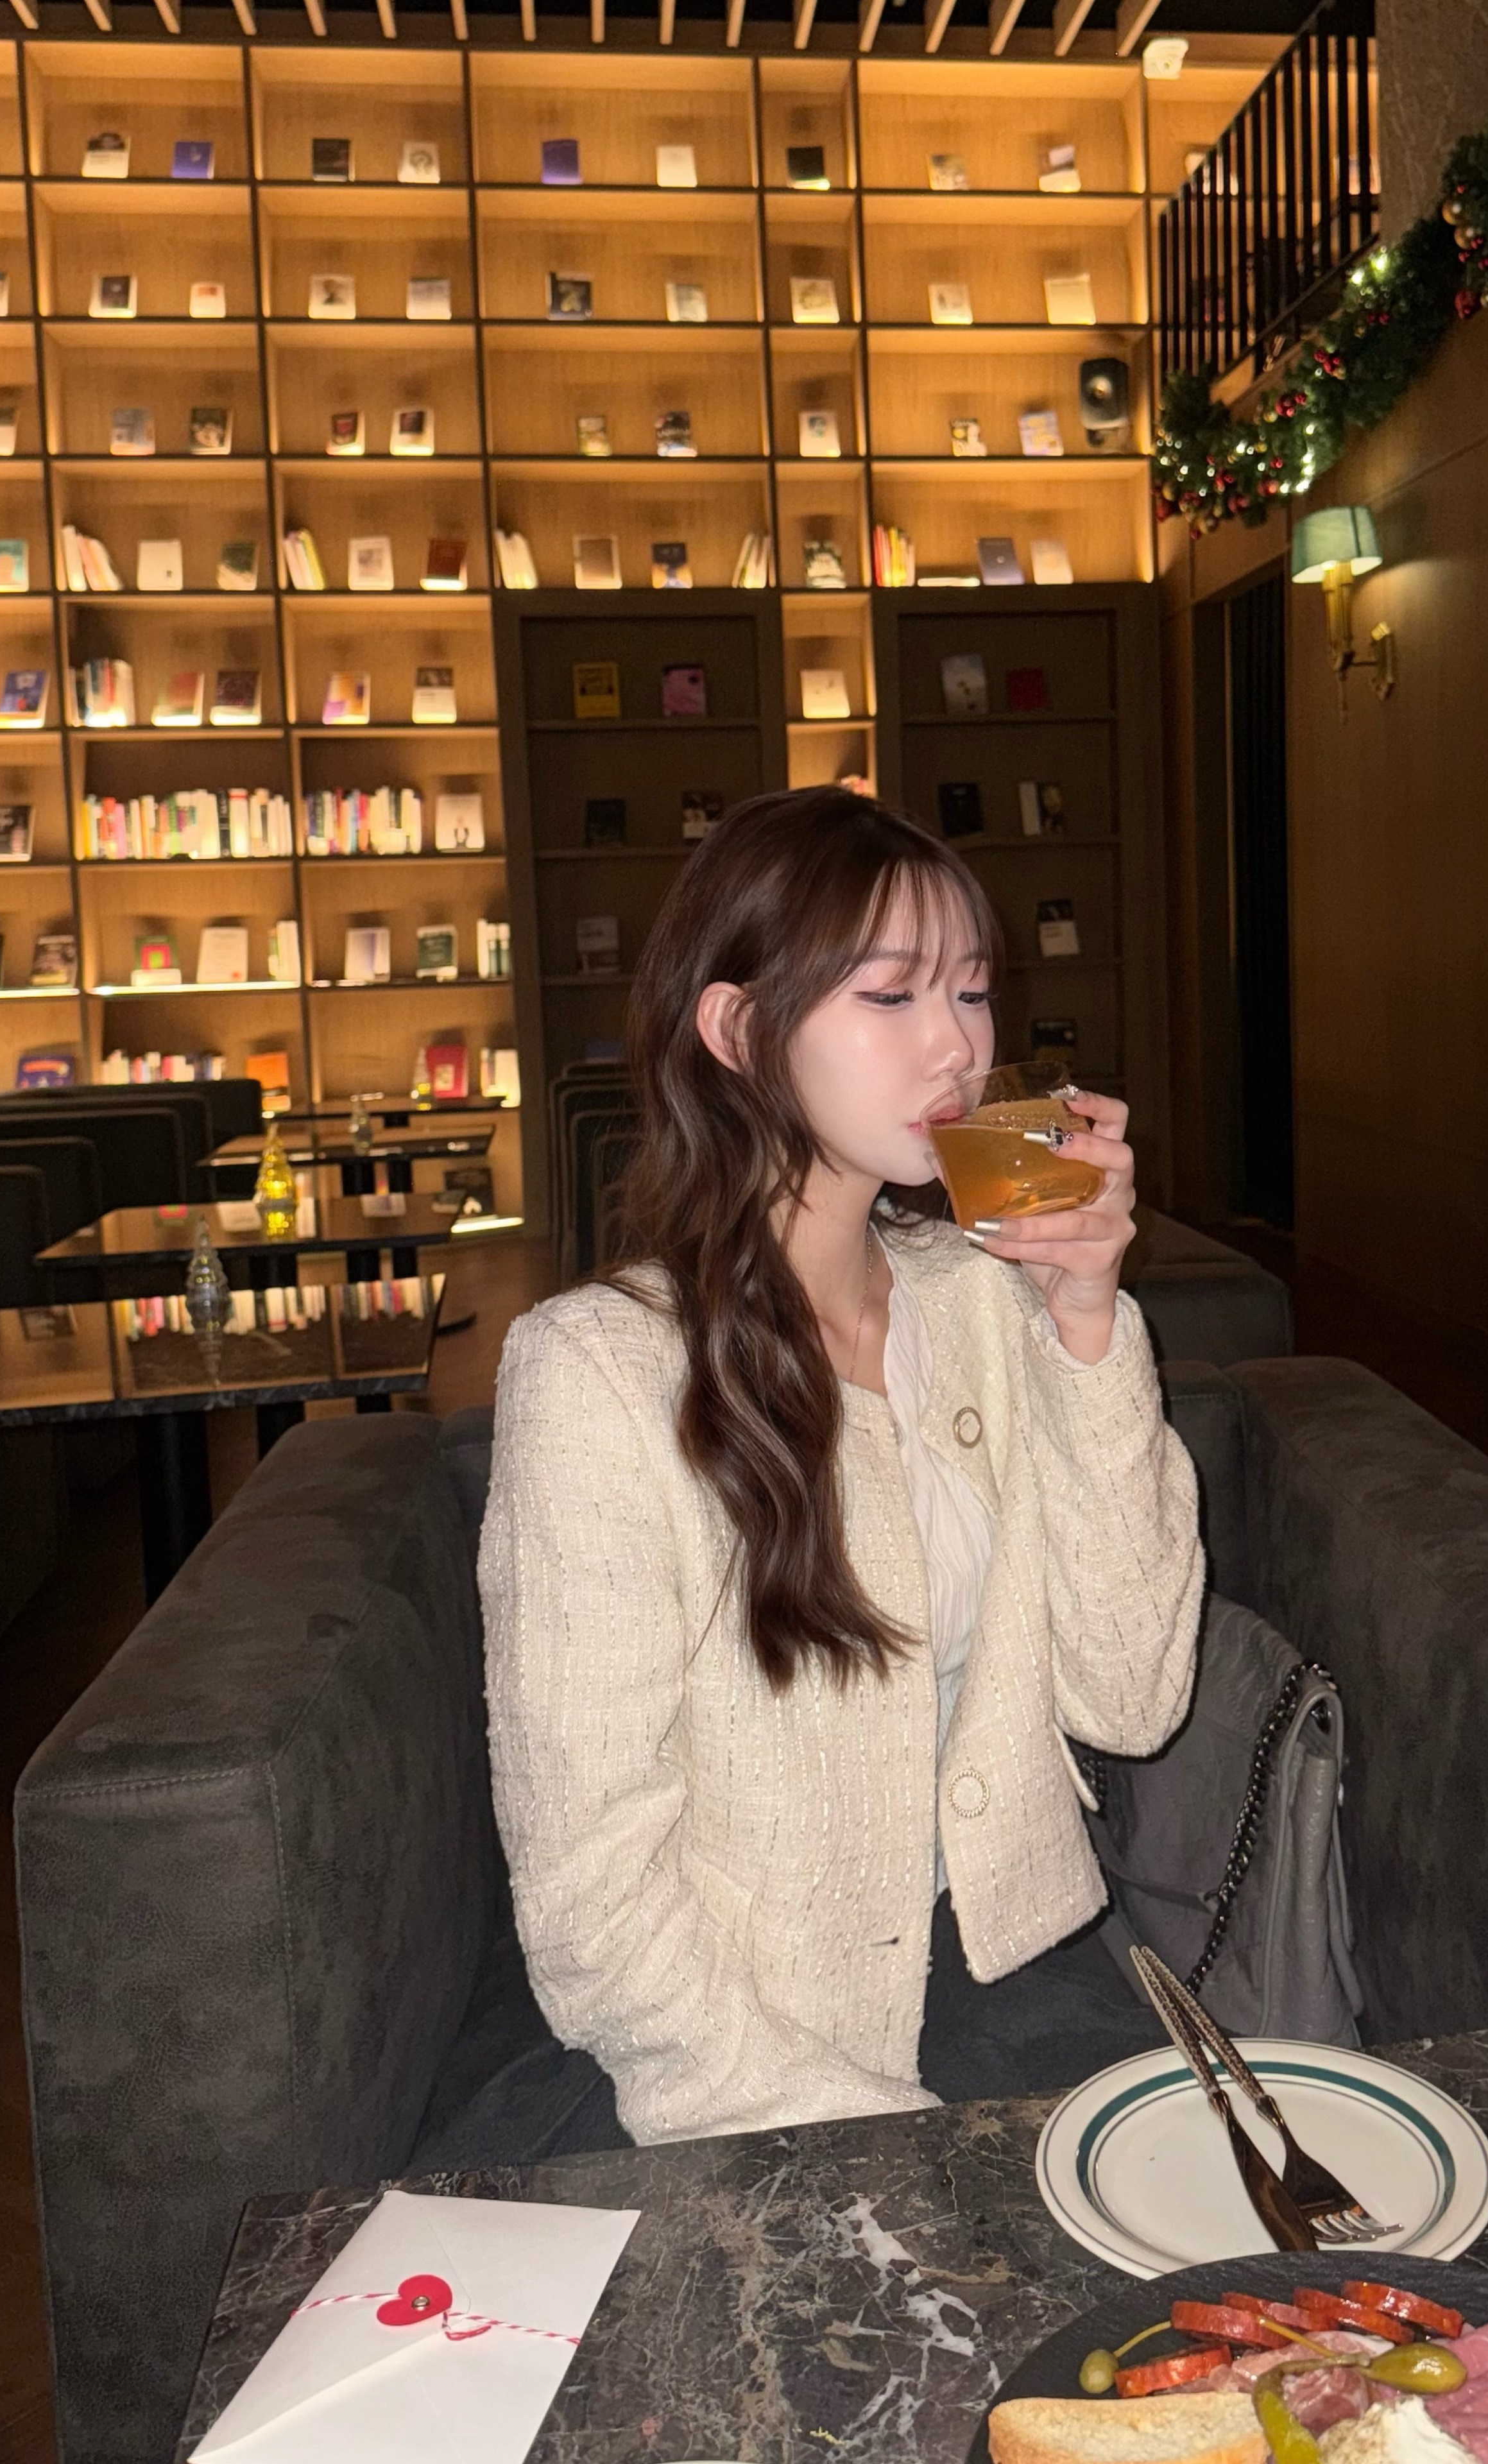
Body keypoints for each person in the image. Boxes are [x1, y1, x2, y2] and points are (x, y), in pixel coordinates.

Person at [480, 787, 1204, 2145]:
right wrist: (866, 2130)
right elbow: (590, 1895)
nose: (958, 1045)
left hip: (1017, 1967)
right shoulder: (597, 1374)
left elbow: (1132, 1696)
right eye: (891, 995)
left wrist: (1090, 1326)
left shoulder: (985, 1300)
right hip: (741, 2039)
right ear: (738, 1031)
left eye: (973, 991)